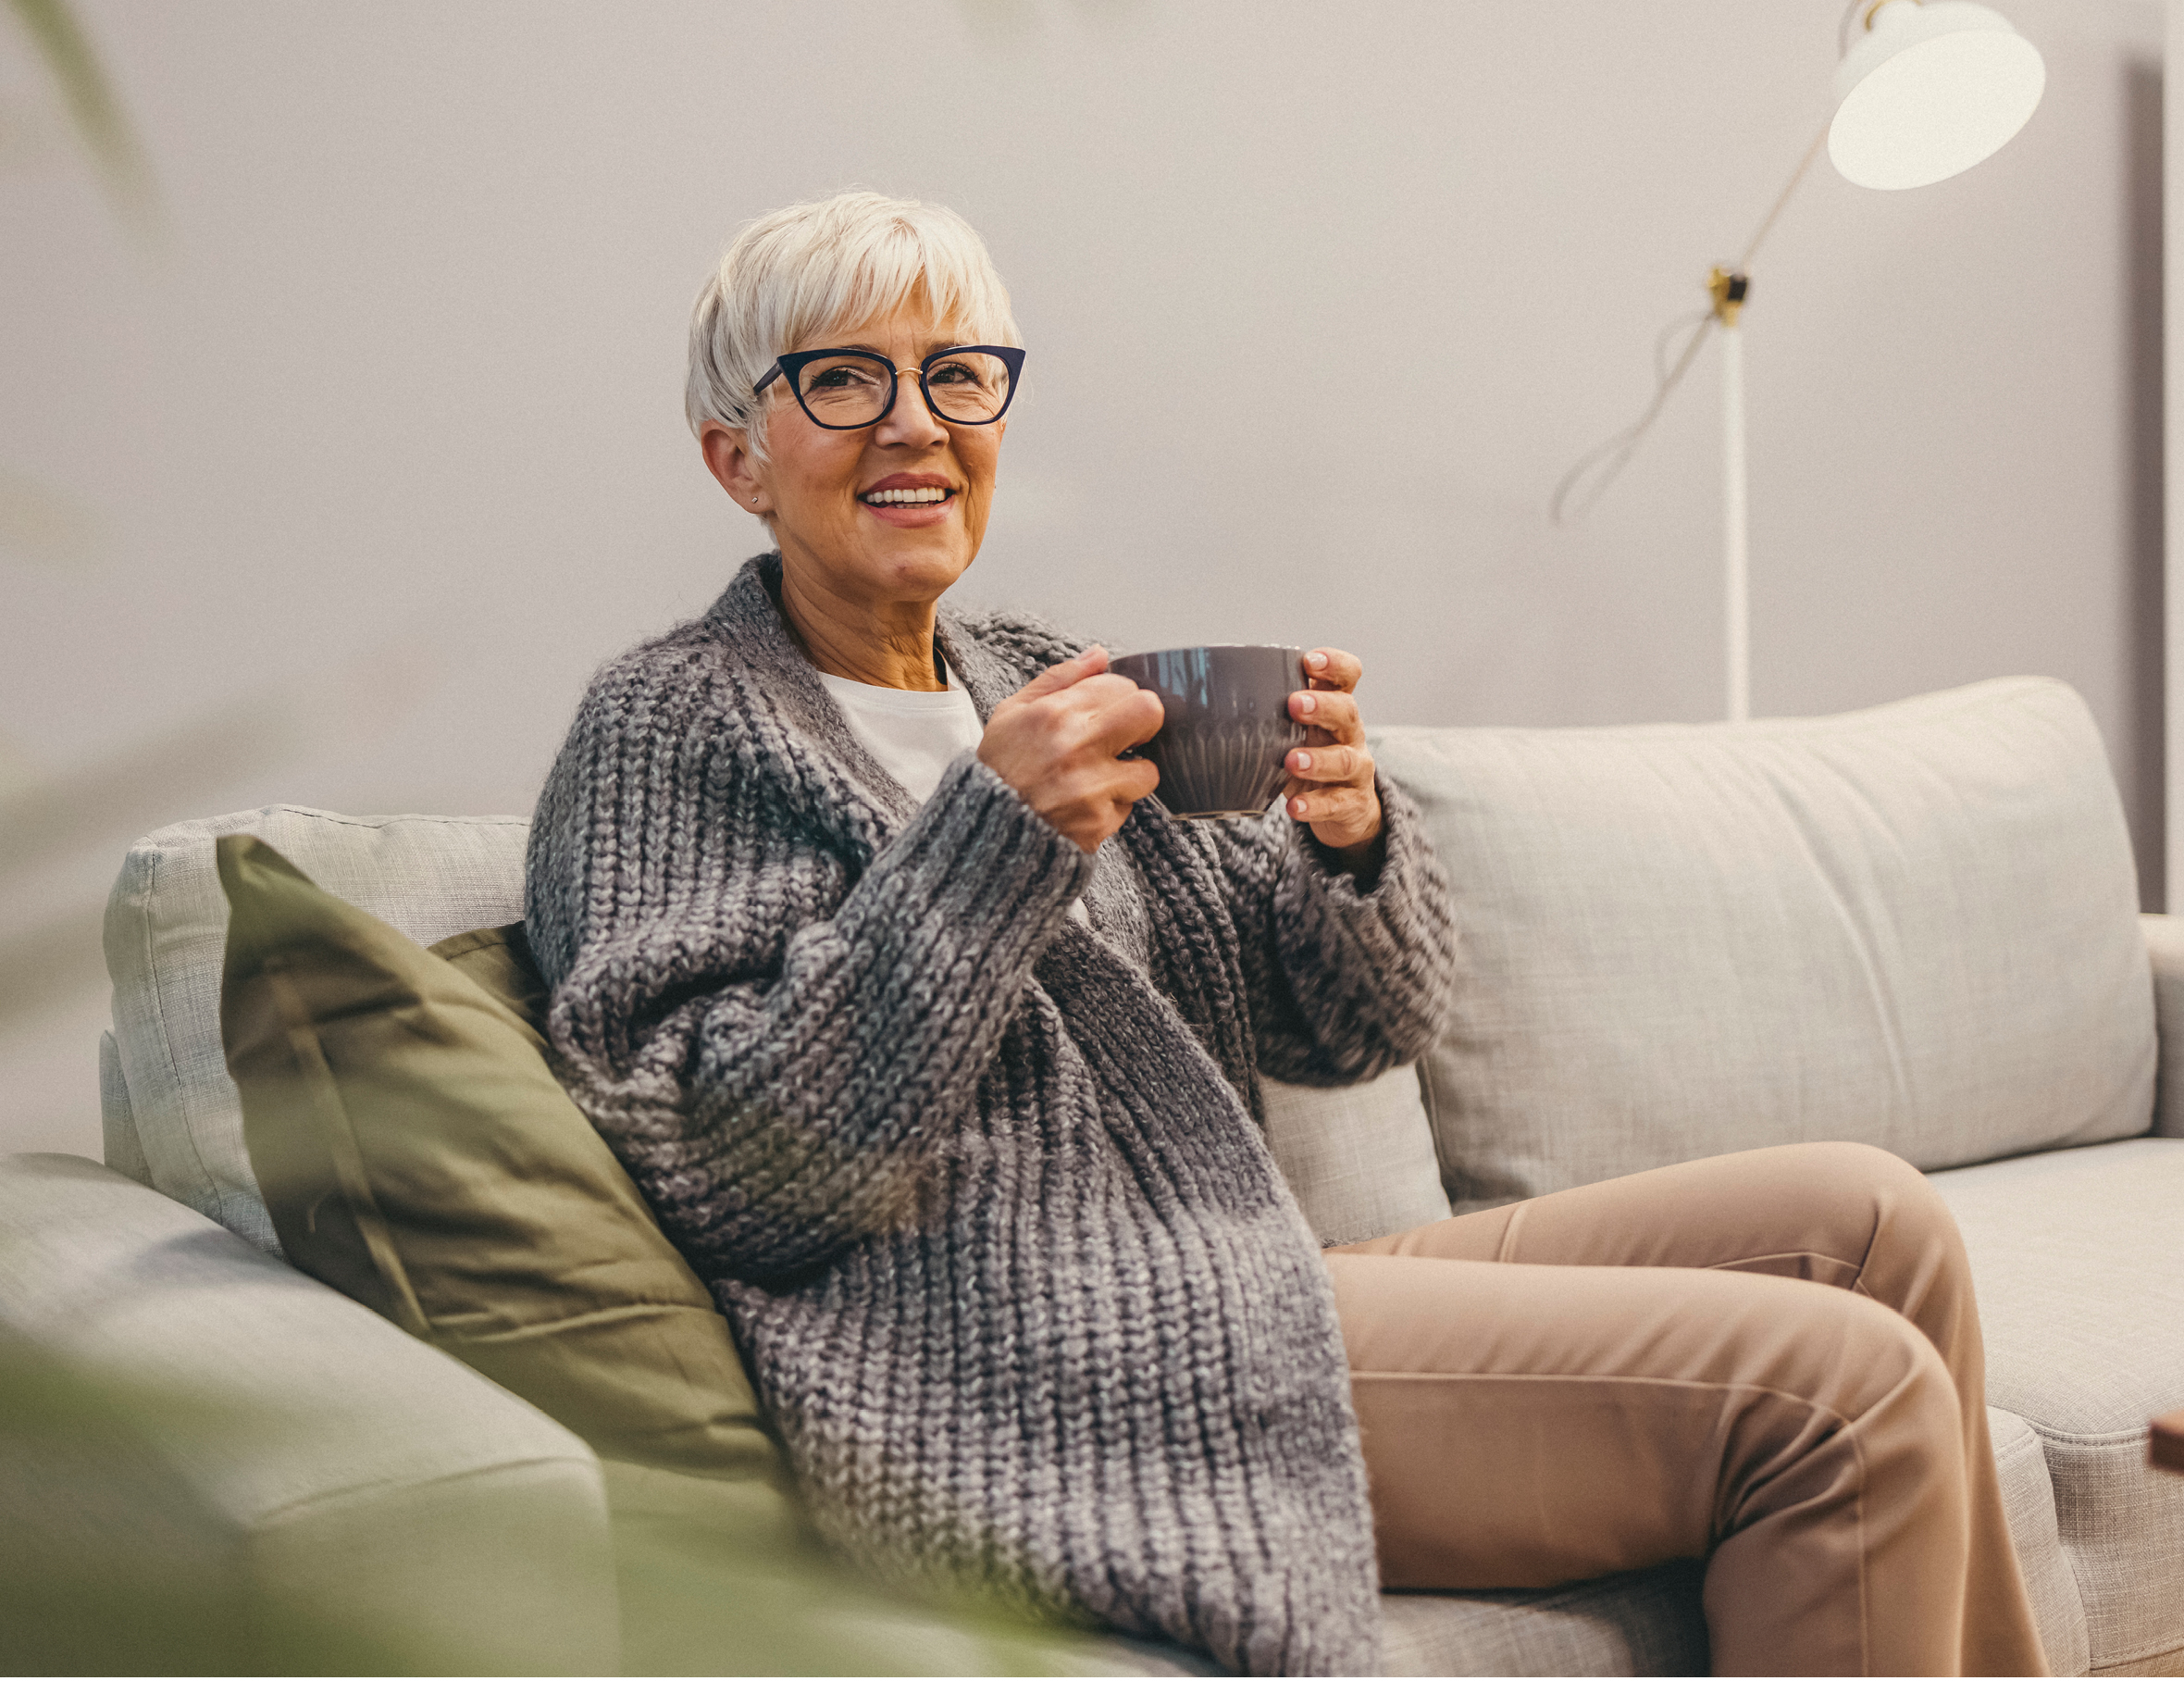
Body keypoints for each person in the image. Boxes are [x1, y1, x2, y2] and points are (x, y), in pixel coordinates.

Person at [526, 191, 2047, 1677]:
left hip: (1233, 1259)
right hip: (1041, 1359)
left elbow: (1344, 1028)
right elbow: (725, 1167)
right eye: (844, 378)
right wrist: (993, 844)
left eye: (958, 372)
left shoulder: (1033, 677)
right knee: (1834, 1398)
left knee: (1872, 1223)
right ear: (739, 456)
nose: (915, 422)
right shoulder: (669, 726)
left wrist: (1348, 839)